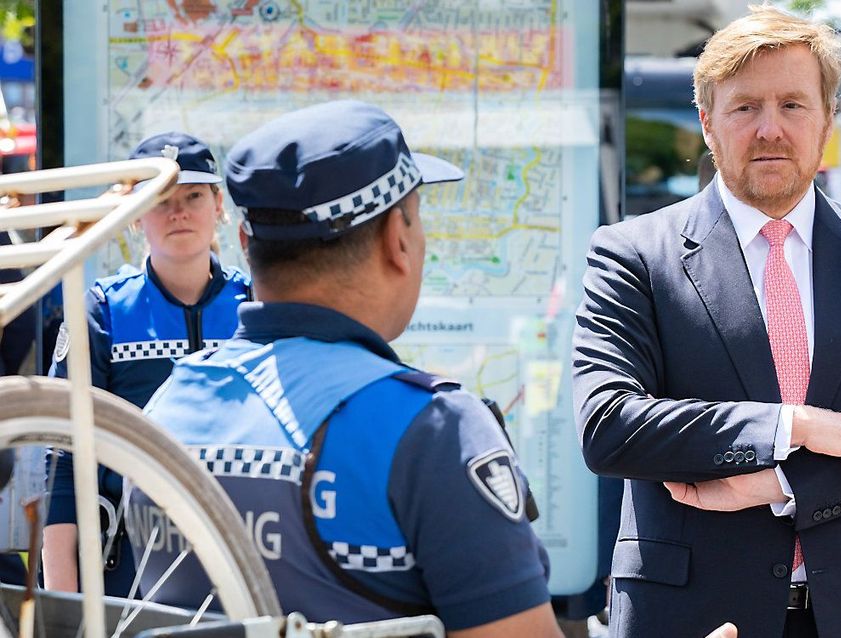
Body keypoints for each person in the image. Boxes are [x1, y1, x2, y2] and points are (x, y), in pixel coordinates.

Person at [572, 7, 841, 638]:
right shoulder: (633, 254)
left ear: (826, 120)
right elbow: (609, 426)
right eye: (745, 107)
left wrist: (780, 483)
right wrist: (799, 425)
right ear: (708, 123)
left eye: (792, 105)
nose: (770, 130)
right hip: (693, 614)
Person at [130, 100, 561, 636]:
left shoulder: (165, 410)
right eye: (416, 216)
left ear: (244, 243)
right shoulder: (435, 432)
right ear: (396, 240)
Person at [42, 132, 251, 596]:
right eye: (160, 200)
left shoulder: (255, 303)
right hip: (127, 572)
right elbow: (63, 457)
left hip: (244, 562)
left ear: (219, 205)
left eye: (194, 196)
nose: (178, 212)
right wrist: (63, 596)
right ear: (135, 218)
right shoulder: (102, 313)